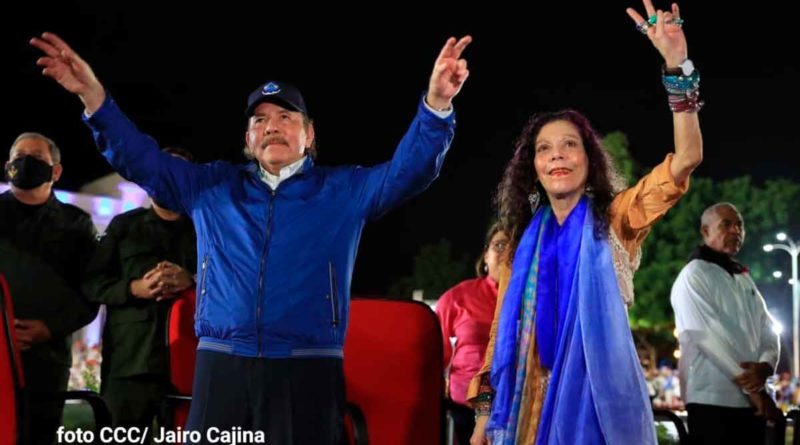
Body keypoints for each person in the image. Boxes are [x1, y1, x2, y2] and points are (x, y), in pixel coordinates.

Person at [31, 31, 471, 444]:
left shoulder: (344, 192)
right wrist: (92, 96)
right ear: (247, 137)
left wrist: (435, 106)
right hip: (222, 365)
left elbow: (409, 171)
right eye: (260, 119)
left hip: (307, 367)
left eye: (285, 116)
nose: (272, 126)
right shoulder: (211, 188)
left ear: (309, 134)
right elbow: (141, 159)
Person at [468, 1, 703, 443]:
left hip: (599, 404)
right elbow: (502, 333)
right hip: (528, 411)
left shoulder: (615, 220)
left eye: (569, 145)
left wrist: (677, 65)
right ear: (532, 168)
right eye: (545, 148)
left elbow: (686, 160)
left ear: (588, 159)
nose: (557, 153)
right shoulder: (522, 245)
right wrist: (484, 418)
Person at [82, 147, 197, 442]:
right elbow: (93, 284)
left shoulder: (207, 229)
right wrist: (135, 288)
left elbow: (231, 285)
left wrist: (192, 280)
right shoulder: (124, 226)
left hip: (190, 368)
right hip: (130, 366)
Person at [0, 132, 98, 445]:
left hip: (47, 358)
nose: (26, 163)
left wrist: (48, 328)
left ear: (56, 171)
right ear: (8, 166)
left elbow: (91, 292)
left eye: (38, 159)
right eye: (20, 157)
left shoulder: (76, 225)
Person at [670, 203, 780, 445]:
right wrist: (755, 389)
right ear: (705, 231)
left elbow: (768, 328)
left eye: (739, 224)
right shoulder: (694, 275)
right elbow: (708, 337)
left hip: (753, 404)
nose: (735, 230)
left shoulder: (744, 279)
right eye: (726, 224)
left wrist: (766, 365)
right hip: (712, 399)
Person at [437, 224, 509, 445]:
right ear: (485, 255)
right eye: (499, 246)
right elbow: (436, 357)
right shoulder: (457, 298)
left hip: (513, 407)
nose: (506, 253)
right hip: (463, 411)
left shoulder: (530, 299)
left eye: (514, 247)